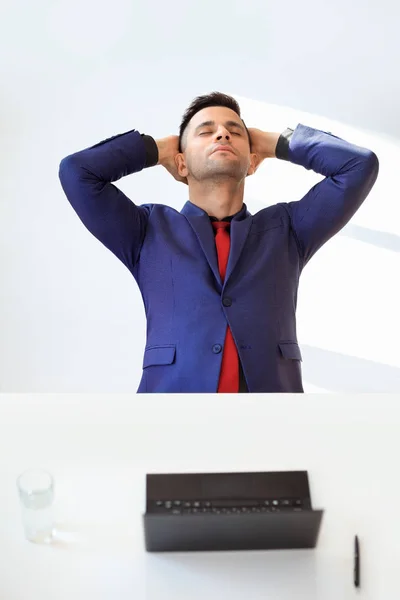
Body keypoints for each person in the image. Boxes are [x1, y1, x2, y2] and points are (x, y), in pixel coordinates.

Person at [59, 91, 379, 393]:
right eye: (205, 131)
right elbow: (77, 172)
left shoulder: (288, 229)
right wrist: (156, 149)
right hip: (170, 417)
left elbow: (358, 166)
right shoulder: (147, 231)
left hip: (274, 421)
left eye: (235, 132)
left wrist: (274, 143)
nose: (222, 135)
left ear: (252, 162)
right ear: (181, 162)